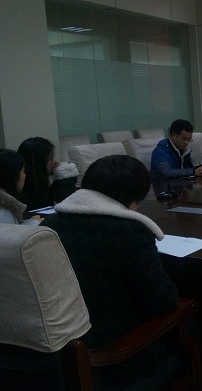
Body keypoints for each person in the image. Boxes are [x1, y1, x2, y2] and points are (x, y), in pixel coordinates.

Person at [43, 155, 178, 387]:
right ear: (134, 198)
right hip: (114, 355)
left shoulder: (49, 225)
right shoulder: (129, 231)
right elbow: (162, 301)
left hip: (58, 353)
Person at [17, 137, 78, 211]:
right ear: (39, 164)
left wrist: (62, 172)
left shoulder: (50, 181)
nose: (54, 162)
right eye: (50, 159)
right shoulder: (22, 188)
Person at [0, 149, 42, 225]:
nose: (25, 175)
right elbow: (12, 231)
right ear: (12, 176)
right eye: (23, 171)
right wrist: (34, 223)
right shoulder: (4, 213)